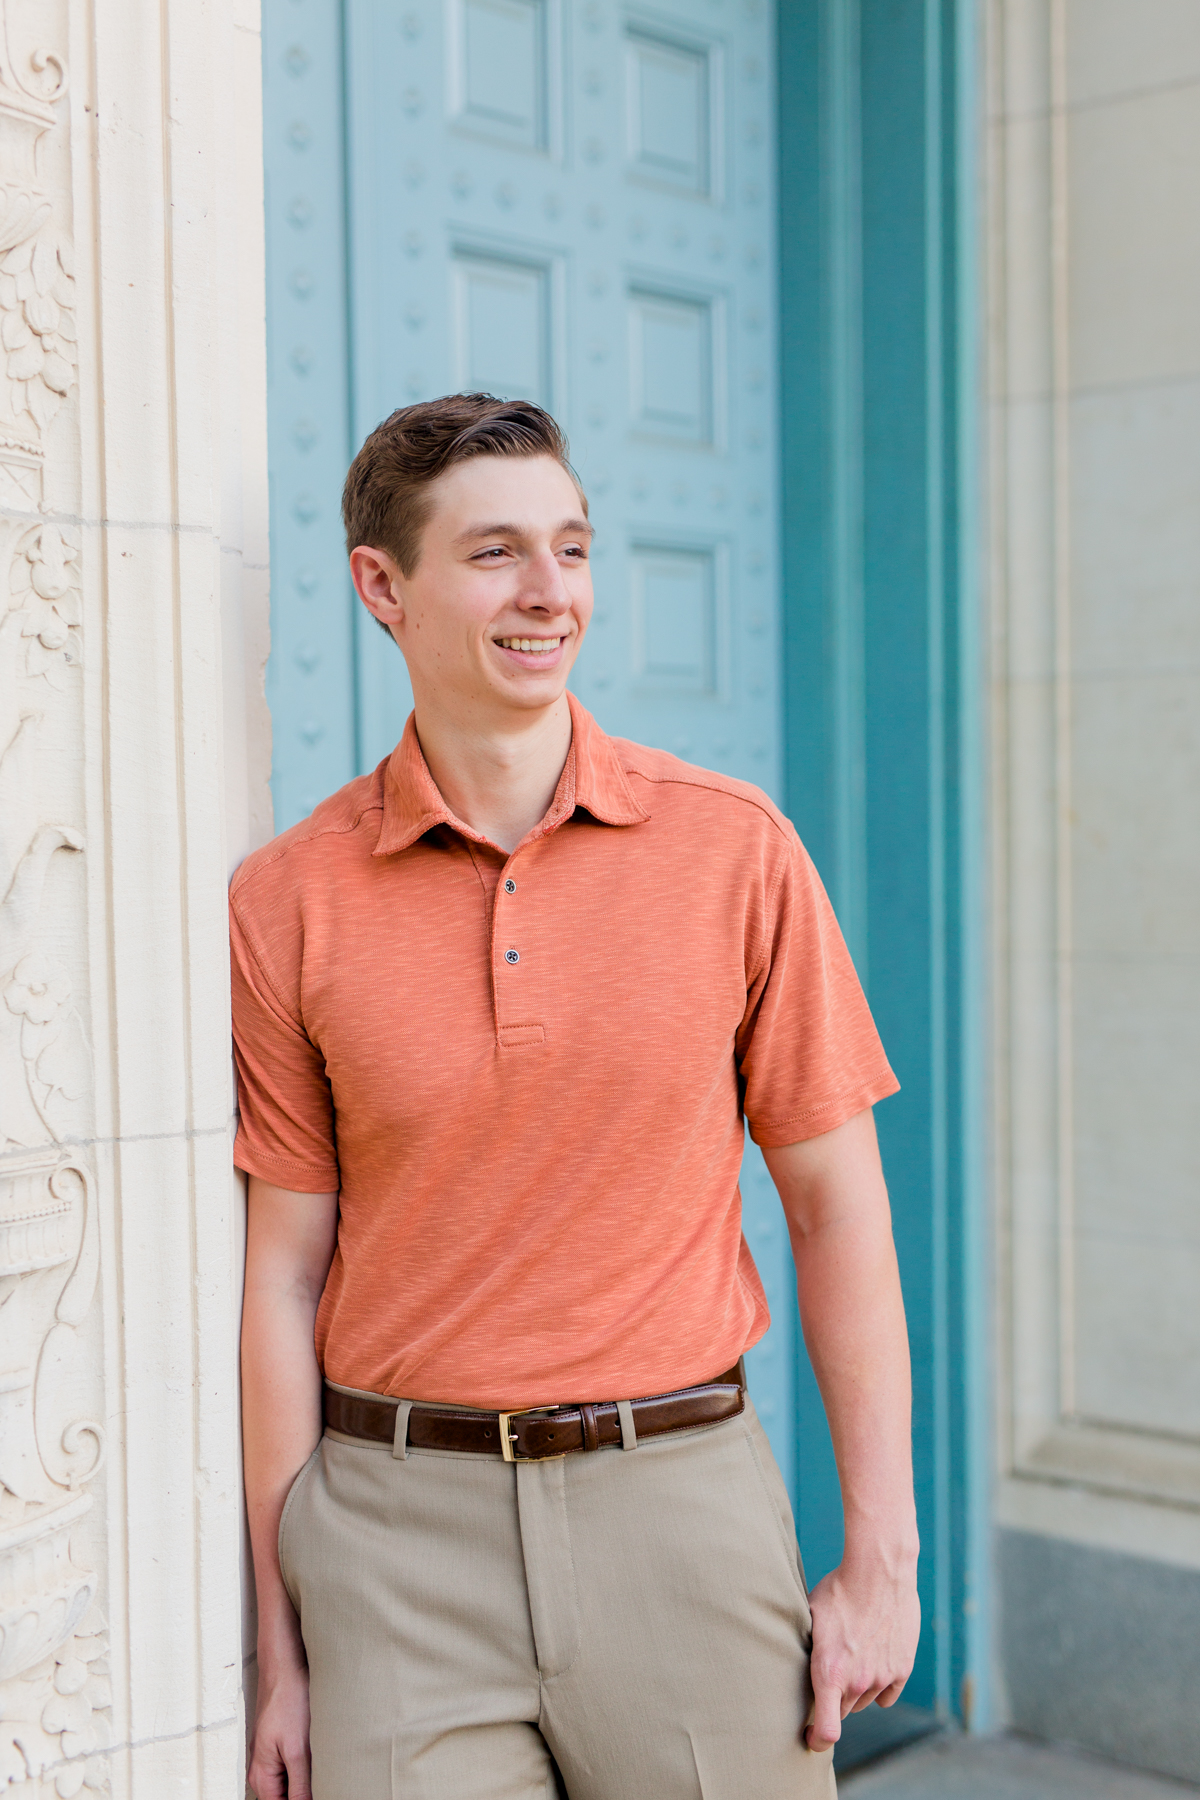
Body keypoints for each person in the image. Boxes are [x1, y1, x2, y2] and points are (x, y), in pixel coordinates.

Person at [234, 394, 920, 1800]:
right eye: (495, 554)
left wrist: (884, 1558)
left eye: (574, 548)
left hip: (679, 1512)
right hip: (393, 1547)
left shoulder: (736, 853)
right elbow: (281, 1274)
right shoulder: (289, 901)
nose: (552, 594)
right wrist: (281, 1649)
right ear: (383, 585)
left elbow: (838, 1208)